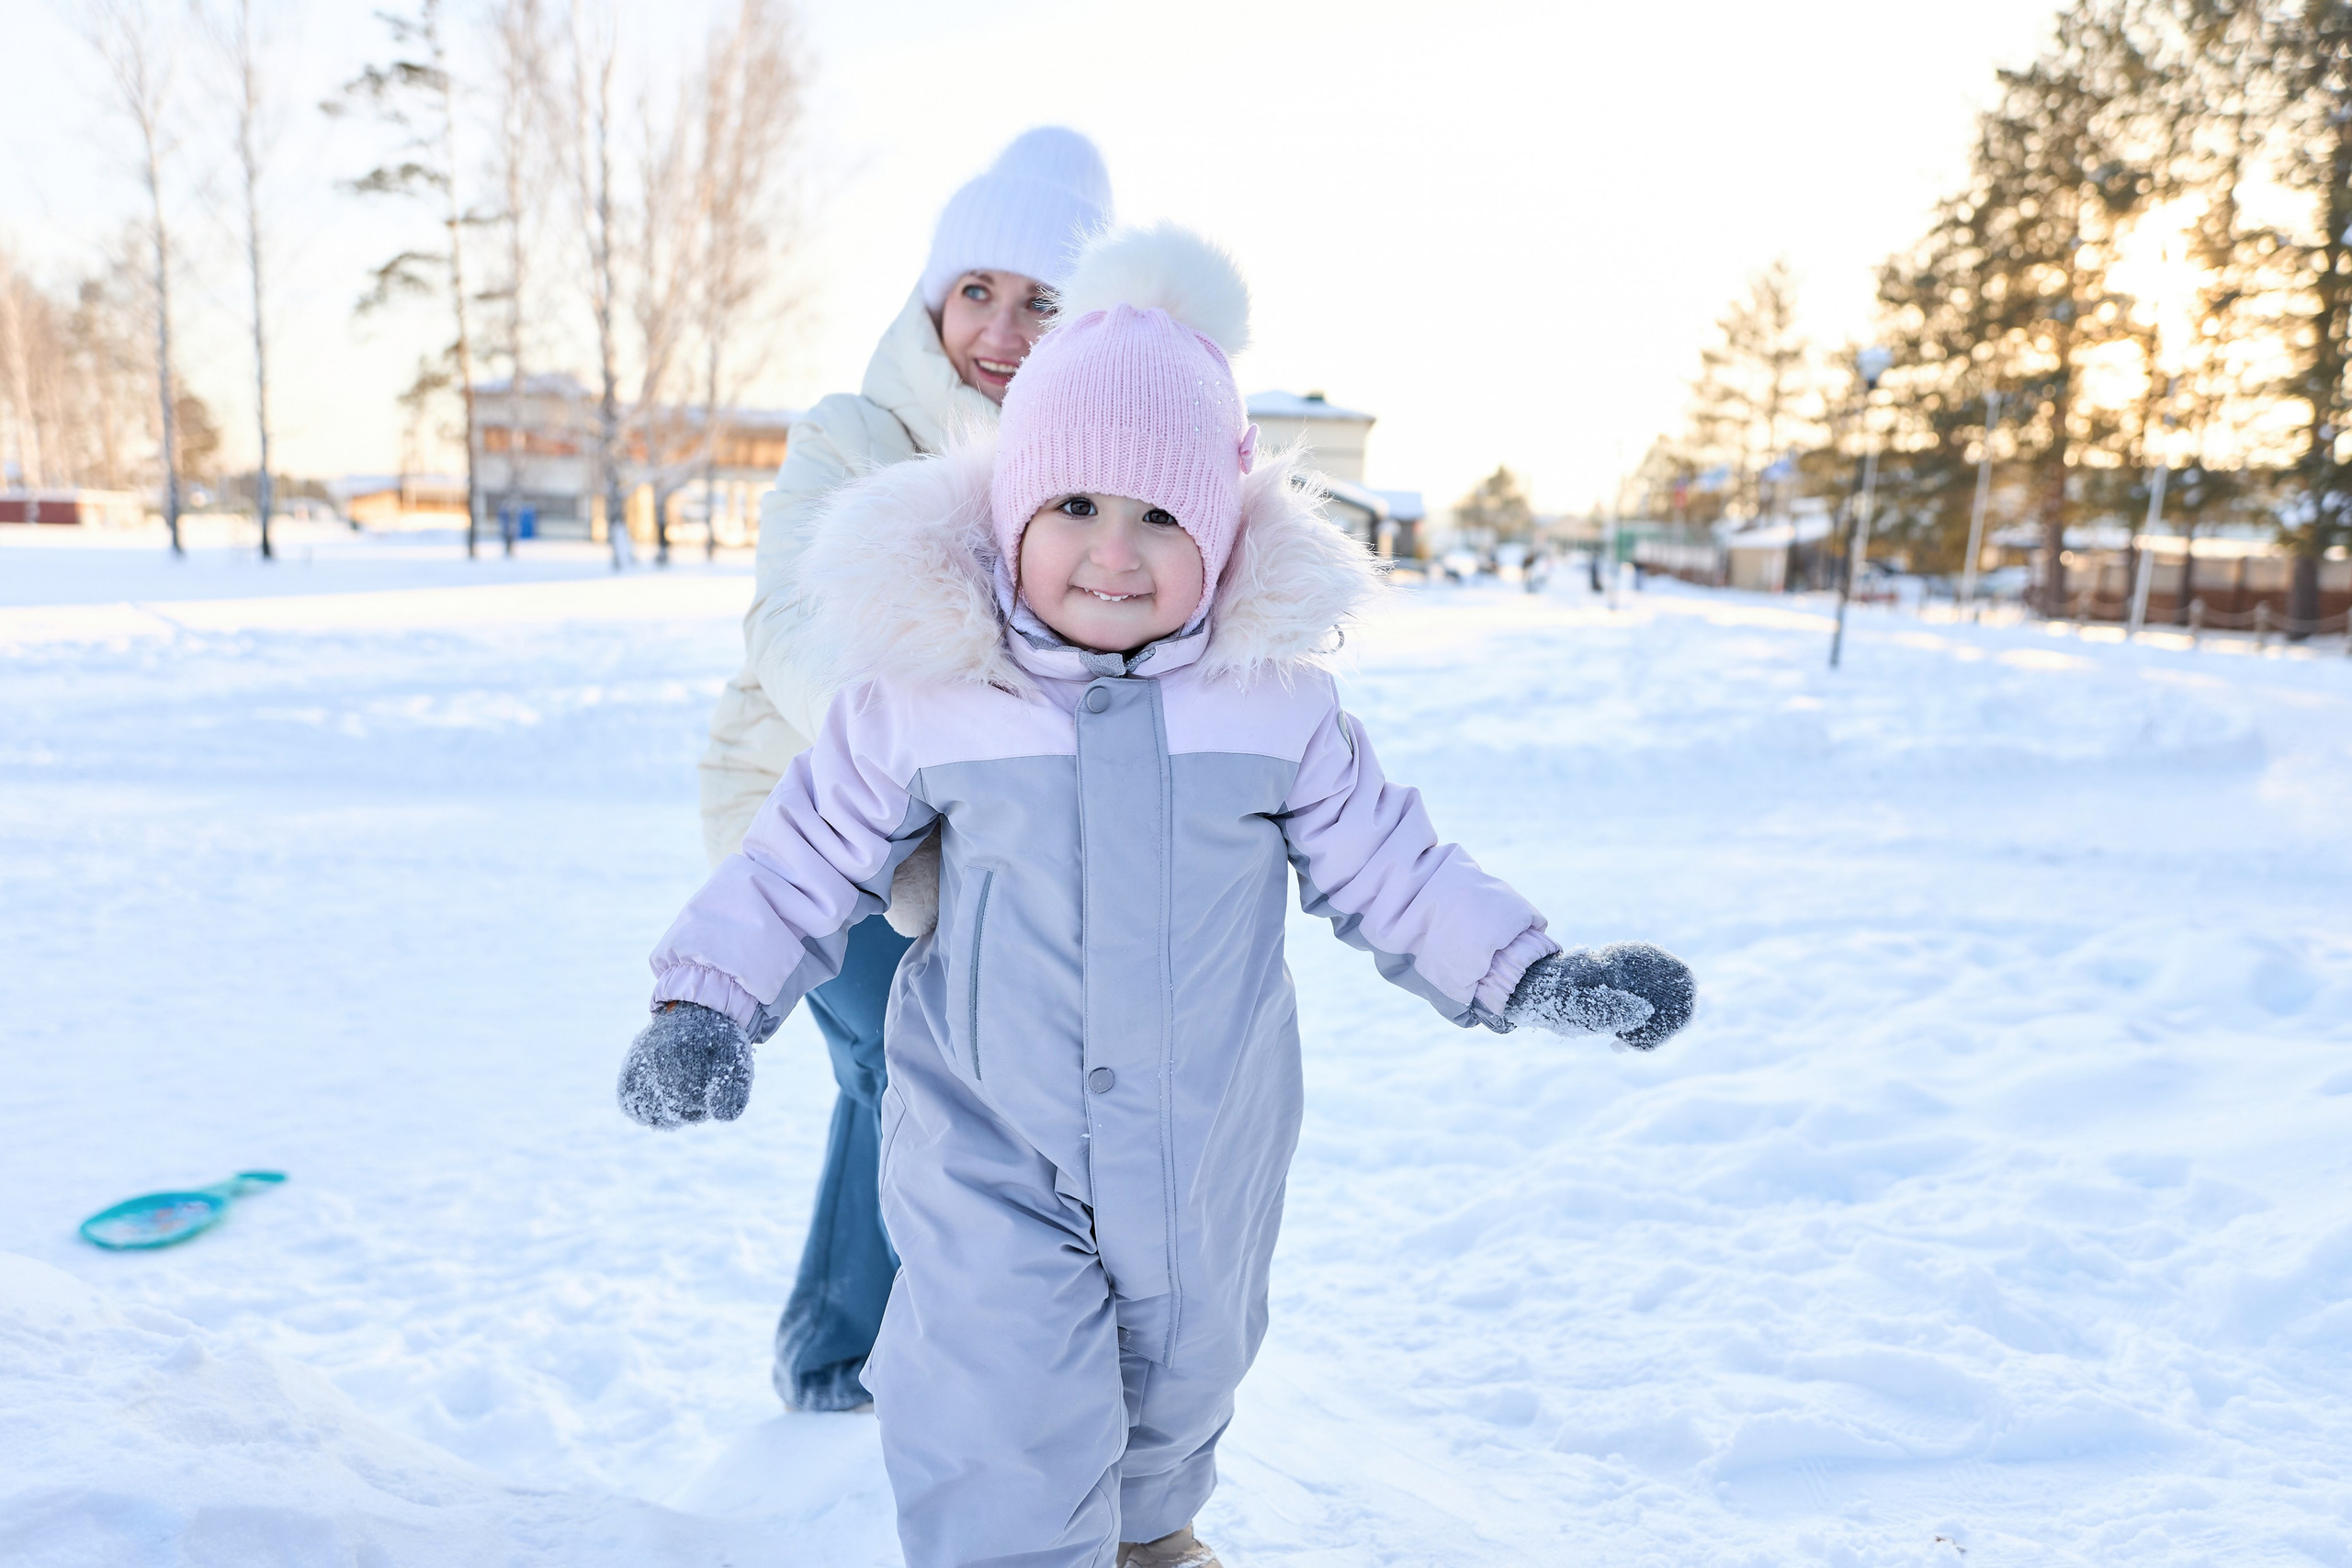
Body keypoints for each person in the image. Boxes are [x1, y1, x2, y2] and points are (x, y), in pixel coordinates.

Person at [619, 224, 1695, 1568]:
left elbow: (1394, 869)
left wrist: (1533, 974)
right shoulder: (934, 700)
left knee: (1179, 1376)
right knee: (1001, 1403)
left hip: (1207, 1142)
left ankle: (1142, 1538)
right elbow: (801, 856)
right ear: (1014, 511)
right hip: (991, 1137)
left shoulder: (1277, 712)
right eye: (1073, 507)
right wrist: (704, 1004)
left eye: (1159, 516)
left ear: (1224, 530)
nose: (1113, 555)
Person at [697, 126, 1114, 1413]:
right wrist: (920, 751)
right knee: (899, 1068)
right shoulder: (850, 436)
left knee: (990, 1088)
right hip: (818, 823)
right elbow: (787, 629)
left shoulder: (1098, 470)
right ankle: (837, 1360)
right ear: (934, 294)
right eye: (976, 291)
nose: (1000, 327)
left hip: (991, 848)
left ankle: (954, 1338)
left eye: (1042, 300)